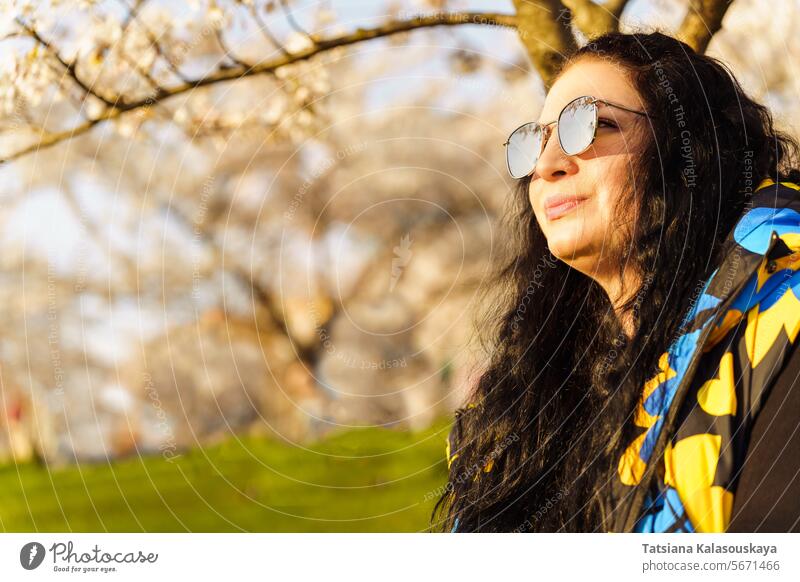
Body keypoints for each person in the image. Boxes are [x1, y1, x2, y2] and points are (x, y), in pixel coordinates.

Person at [434, 31, 800, 533]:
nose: (546, 166)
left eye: (592, 125)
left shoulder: (783, 317)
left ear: (687, 152)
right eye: (534, 142)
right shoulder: (531, 395)